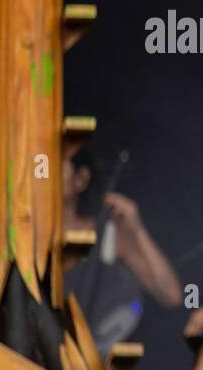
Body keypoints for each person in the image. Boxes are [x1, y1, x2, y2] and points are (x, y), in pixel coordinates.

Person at [61, 144, 182, 357]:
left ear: (81, 179)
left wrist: (137, 231)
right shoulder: (16, 228)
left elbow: (170, 294)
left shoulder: (108, 234)